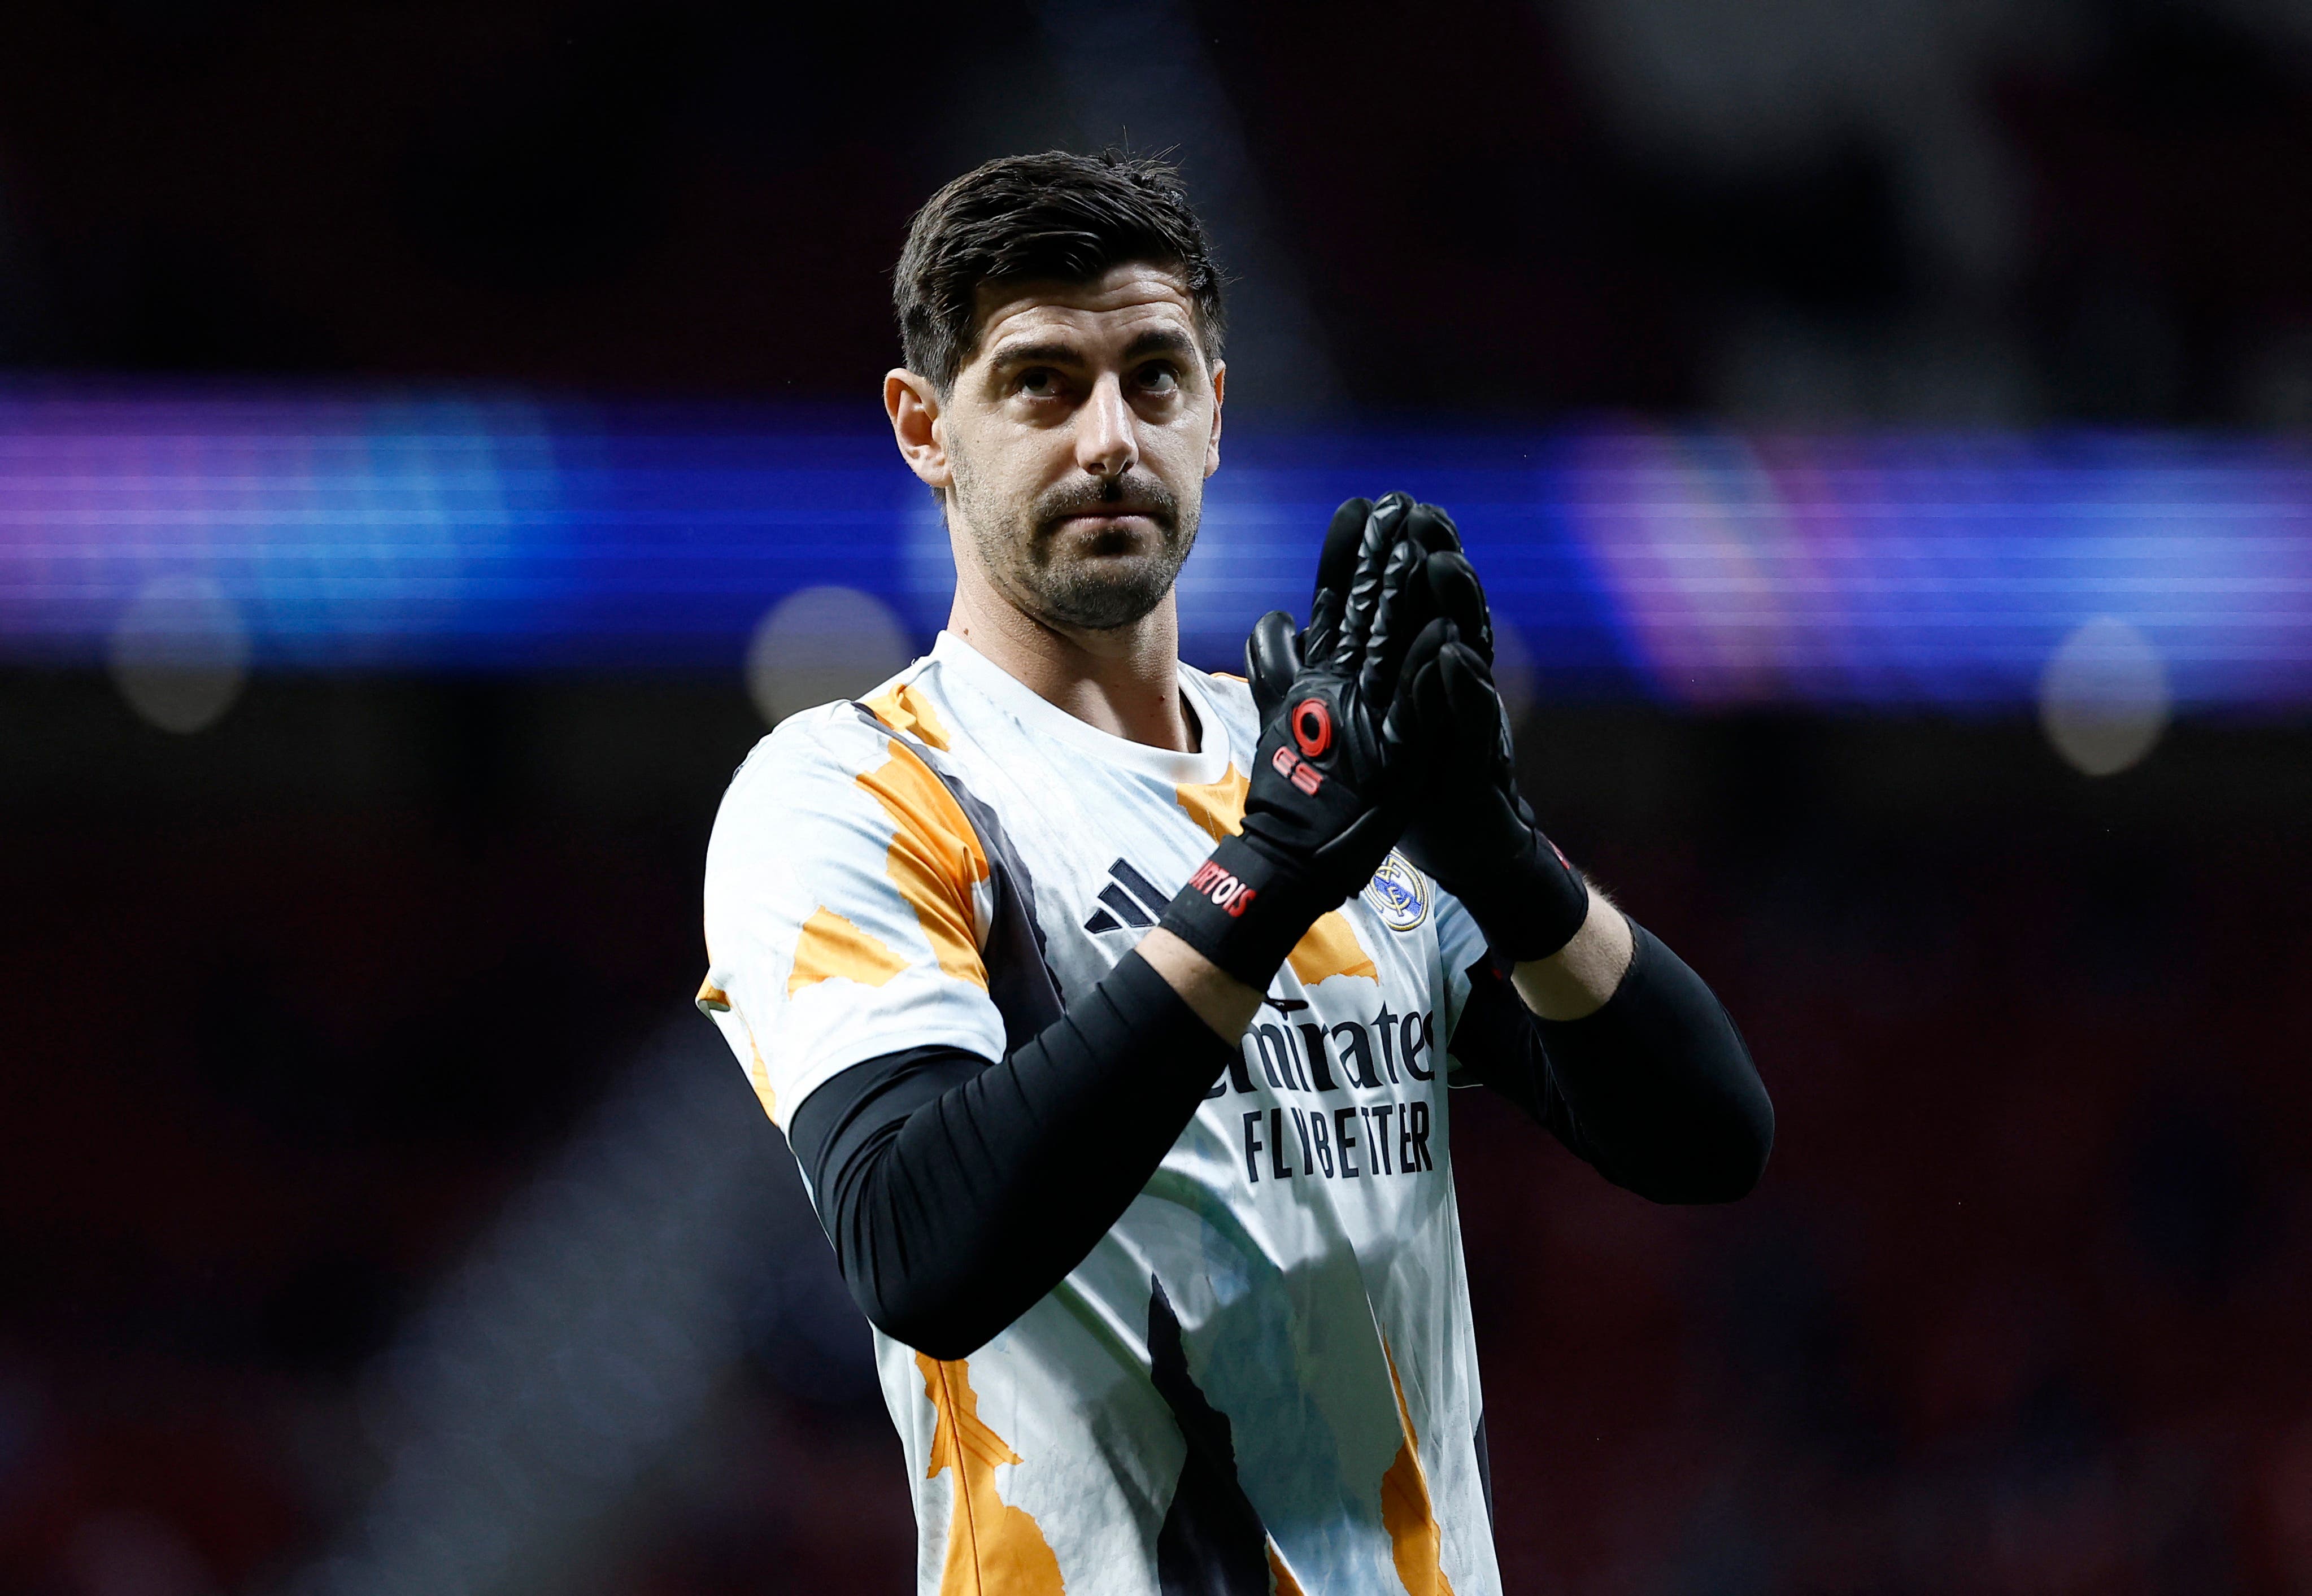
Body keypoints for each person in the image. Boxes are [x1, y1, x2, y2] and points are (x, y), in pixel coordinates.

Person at [696, 150, 1773, 1595]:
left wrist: (1497, 857)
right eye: (1038, 382)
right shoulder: (855, 789)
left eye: (1154, 377)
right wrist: (1266, 874)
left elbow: (1707, 1138)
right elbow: (920, 1249)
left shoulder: (1326, 765)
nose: (1108, 439)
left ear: (1216, 411)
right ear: (922, 426)